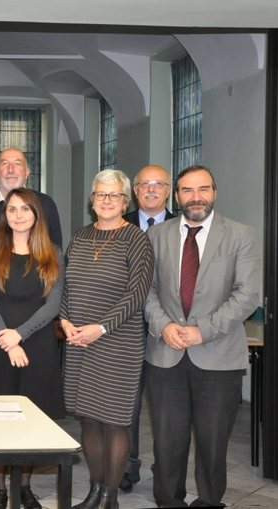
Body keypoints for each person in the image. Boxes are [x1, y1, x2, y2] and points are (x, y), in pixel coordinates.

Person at [144, 165, 261, 508]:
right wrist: (164, 325)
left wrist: (203, 330)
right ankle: (169, 501)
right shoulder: (157, 236)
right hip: (166, 354)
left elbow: (247, 294)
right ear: (176, 195)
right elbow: (146, 292)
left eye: (203, 189)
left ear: (214, 193)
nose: (196, 197)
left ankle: (210, 502)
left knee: (213, 443)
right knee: (167, 441)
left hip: (219, 355)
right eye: (187, 191)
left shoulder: (240, 234)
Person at [60, 169, 154, 509]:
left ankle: (110, 497)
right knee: (88, 418)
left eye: (114, 195)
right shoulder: (80, 236)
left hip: (118, 343)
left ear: (126, 201)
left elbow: (137, 293)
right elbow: (66, 284)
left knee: (114, 422)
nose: (106, 201)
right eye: (100, 194)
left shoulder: (137, 239)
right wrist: (66, 320)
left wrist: (100, 328)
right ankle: (95, 491)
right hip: (79, 342)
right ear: (91, 200)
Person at [0, 188, 65, 509]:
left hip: (37, 344)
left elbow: (52, 305)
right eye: (12, 210)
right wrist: (6, 338)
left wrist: (19, 335)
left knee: (32, 419)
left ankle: (24, 486)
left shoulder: (52, 251)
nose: (19, 215)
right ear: (5, 216)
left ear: (36, 214)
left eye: (25, 209)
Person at [119, 165, 175, 494]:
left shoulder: (186, 225)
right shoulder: (117, 224)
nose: (151, 189)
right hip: (124, 331)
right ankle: (126, 467)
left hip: (168, 332)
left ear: (168, 190)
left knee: (168, 408)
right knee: (127, 405)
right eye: (144, 184)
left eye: (158, 184)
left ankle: (166, 472)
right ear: (135, 192)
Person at [0, 148, 62, 247]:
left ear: (26, 173)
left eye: (17, 164)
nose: (11, 170)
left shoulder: (45, 203)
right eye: (5, 164)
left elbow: (55, 249)